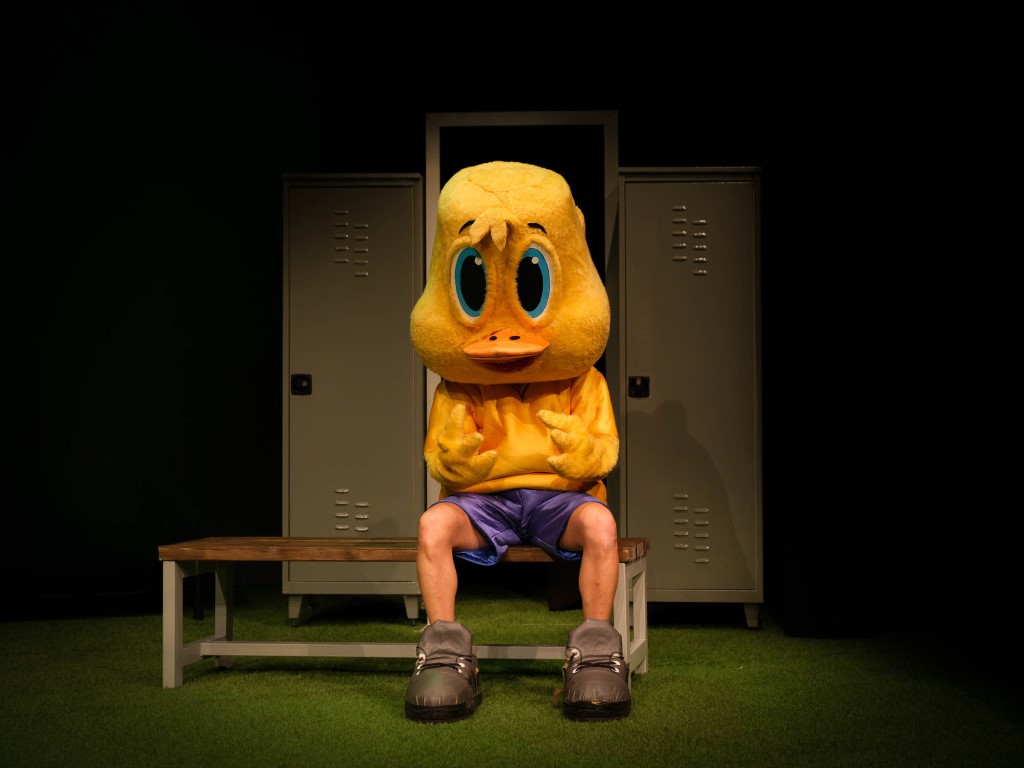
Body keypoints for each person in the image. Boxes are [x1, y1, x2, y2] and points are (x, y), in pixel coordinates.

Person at [406, 160, 630, 722]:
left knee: (602, 525)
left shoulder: (583, 380)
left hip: (560, 502)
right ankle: (444, 651)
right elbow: (441, 458)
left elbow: (604, 449)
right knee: (432, 525)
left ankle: (596, 650)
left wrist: (584, 453)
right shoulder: (458, 386)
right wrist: (456, 461)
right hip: (485, 504)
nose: (505, 337)